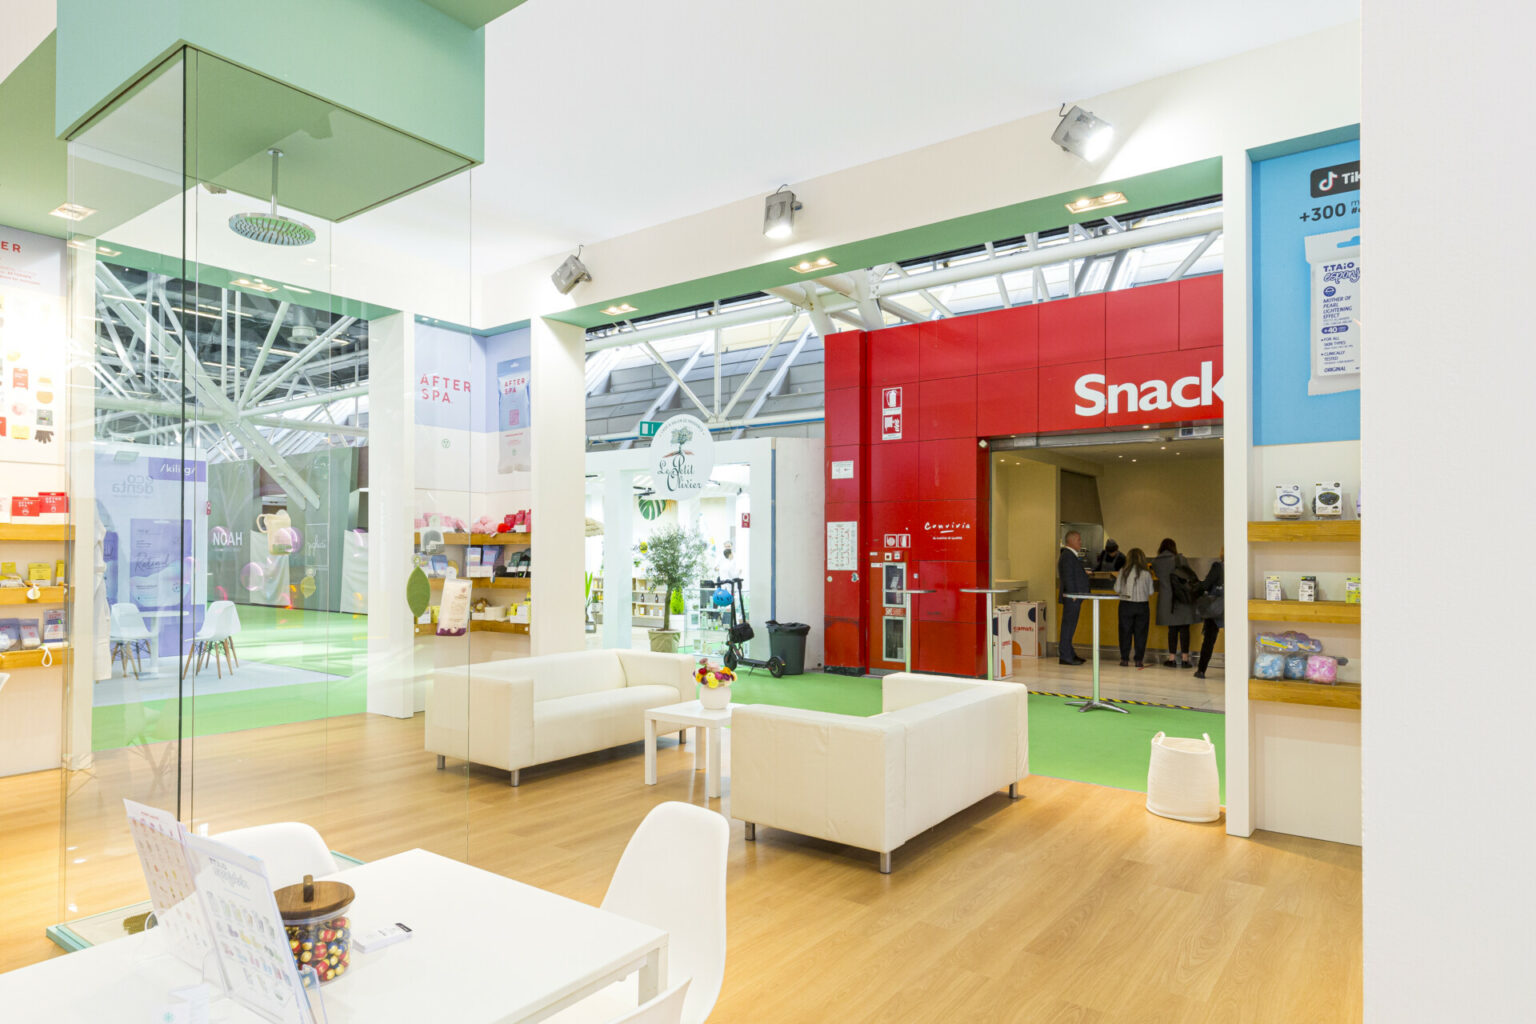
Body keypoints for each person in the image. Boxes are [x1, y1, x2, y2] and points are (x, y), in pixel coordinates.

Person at [1151, 537, 1198, 668]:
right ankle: (1185, 659)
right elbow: (1189, 575)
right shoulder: (1180, 559)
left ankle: (1171, 658)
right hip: (1182, 597)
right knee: (1184, 628)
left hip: (1167, 599)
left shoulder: (1155, 562)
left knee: (1172, 629)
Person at [1113, 547, 1154, 668]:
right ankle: (1139, 660)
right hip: (1142, 605)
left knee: (1125, 632)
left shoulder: (1123, 572)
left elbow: (1116, 589)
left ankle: (1124, 659)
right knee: (1141, 633)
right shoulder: (1146, 573)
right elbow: (1151, 591)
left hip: (1126, 604)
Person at [1056, 530, 1092, 665]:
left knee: (1071, 626)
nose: (1080, 542)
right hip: (1072, 597)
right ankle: (1065, 655)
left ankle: (1070, 653)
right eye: (1078, 540)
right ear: (1070, 541)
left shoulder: (1070, 555)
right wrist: (1073, 594)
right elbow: (1068, 576)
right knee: (1068, 626)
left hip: (1074, 597)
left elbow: (1072, 573)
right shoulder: (1067, 556)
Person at [1193, 552, 1224, 679]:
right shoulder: (1241, 565)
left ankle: (1201, 670)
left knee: (1209, 639)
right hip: (1234, 607)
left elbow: (1206, 584)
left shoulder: (1218, 567)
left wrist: (1195, 590)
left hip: (1216, 607)